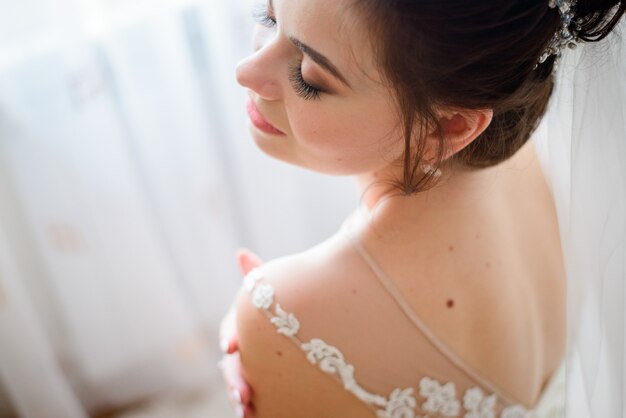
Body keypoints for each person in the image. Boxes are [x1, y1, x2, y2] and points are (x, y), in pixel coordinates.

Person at [219, 1, 626, 417]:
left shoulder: (291, 317)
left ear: (446, 127)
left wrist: (276, 332)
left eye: (309, 78)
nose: (245, 71)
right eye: (268, 15)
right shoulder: (547, 159)